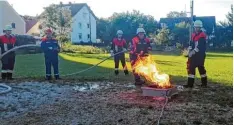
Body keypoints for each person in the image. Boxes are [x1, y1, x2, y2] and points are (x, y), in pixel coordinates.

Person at [184, 20, 207, 88]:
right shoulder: (193, 34)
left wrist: (192, 52)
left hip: (200, 55)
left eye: (198, 27)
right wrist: (189, 49)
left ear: (200, 28)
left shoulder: (202, 35)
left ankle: (204, 84)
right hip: (194, 55)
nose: (197, 28)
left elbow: (200, 47)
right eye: (196, 27)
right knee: (191, 68)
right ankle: (190, 84)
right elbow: (192, 44)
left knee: (201, 68)